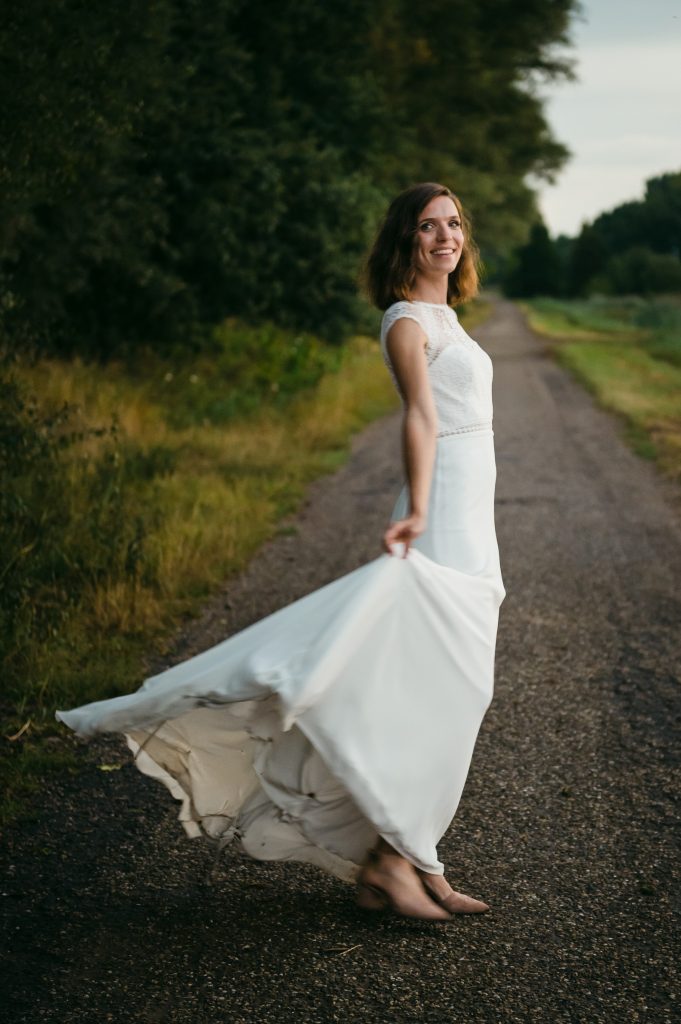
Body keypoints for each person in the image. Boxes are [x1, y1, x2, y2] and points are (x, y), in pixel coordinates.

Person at [56, 182, 505, 923]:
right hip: (442, 509)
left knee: (458, 688)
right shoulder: (404, 322)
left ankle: (414, 858)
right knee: (440, 684)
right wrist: (420, 508)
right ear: (403, 241)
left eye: (453, 223)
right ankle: (393, 862)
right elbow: (421, 418)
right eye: (427, 227)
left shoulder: (448, 316)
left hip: (472, 511)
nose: (444, 237)